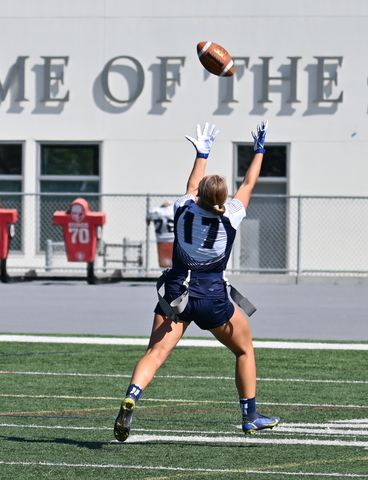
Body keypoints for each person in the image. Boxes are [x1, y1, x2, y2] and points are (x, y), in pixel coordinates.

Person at [114, 121, 279, 441]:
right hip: (212, 296)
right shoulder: (230, 214)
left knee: (155, 354)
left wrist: (202, 152)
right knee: (244, 350)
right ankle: (250, 416)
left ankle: (133, 395)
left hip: (176, 292)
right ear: (222, 198)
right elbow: (249, 183)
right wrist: (259, 150)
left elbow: (190, 187)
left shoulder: (183, 208)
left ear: (198, 195)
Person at [147, 200, 175, 267]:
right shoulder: (174, 211)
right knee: (173, 262)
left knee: (164, 263)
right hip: (172, 238)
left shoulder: (156, 211)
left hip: (161, 238)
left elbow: (148, 218)